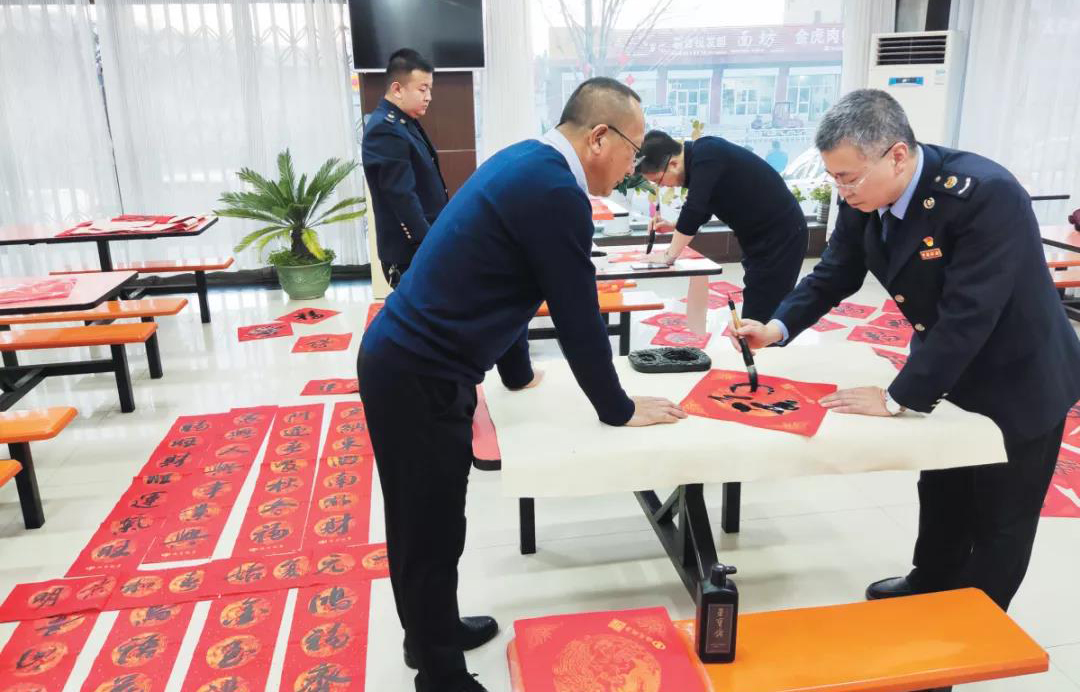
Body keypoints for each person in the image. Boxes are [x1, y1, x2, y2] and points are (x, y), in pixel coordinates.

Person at [358, 77, 687, 692]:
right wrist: (617, 407)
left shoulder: (530, 162)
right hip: (418, 372)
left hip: (416, 364)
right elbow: (576, 312)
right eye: (633, 150)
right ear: (599, 137)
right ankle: (439, 676)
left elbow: (511, 277)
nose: (634, 167)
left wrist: (515, 372)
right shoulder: (556, 191)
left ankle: (429, 633)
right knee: (426, 529)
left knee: (433, 522)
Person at [735, 89, 1080, 611]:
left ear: (897, 155)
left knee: (1001, 511)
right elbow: (836, 271)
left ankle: (976, 623)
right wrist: (777, 327)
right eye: (833, 178)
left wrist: (897, 397)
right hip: (946, 363)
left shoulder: (985, 194)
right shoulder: (865, 193)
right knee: (942, 482)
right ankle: (930, 579)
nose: (841, 190)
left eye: (848, 178)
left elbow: (970, 313)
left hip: (1019, 373)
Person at [636, 130, 809, 323]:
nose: (662, 186)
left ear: (673, 163)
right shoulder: (701, 161)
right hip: (762, 237)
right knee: (758, 306)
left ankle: (762, 341)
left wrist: (669, 256)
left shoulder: (707, 153)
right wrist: (673, 226)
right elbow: (702, 210)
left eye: (658, 180)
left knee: (761, 314)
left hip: (781, 236)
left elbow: (694, 209)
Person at [361, 48, 448, 288]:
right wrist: (429, 247)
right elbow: (401, 197)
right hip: (411, 253)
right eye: (423, 89)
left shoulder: (404, 122)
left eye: (430, 89)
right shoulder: (386, 129)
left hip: (423, 246)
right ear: (397, 89)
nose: (429, 96)